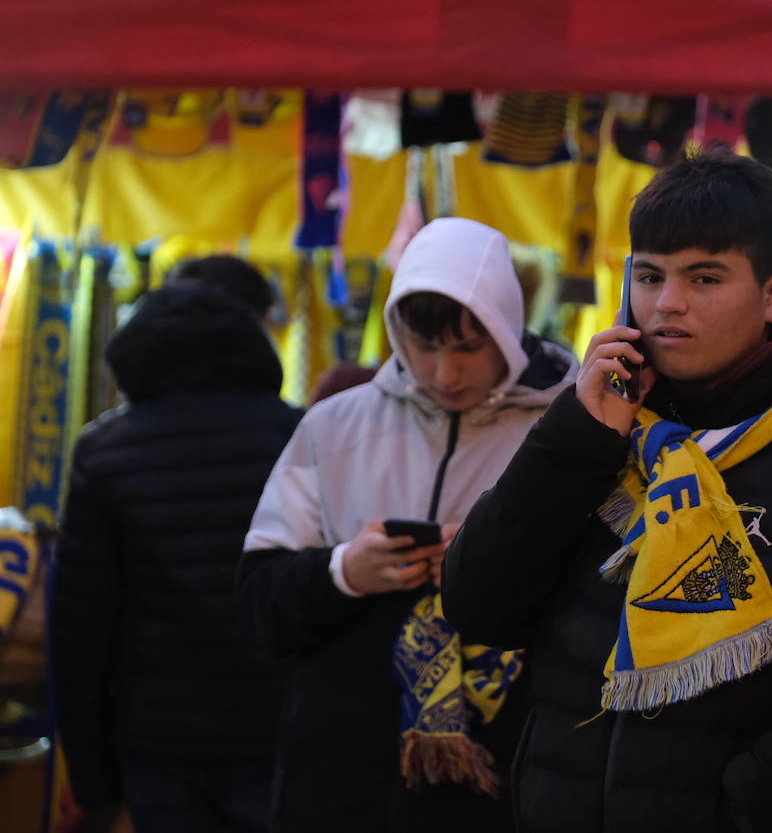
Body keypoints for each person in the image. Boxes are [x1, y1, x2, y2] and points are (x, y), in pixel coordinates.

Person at [442, 148, 772, 833]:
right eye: (650, 276)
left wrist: (751, 801)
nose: (667, 304)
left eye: (705, 277)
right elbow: (480, 605)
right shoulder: (597, 432)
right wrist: (571, 439)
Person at [237, 217, 576, 833]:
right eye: (423, 346)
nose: (445, 373)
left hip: (505, 773)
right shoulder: (335, 426)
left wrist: (491, 572)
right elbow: (262, 603)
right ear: (396, 332)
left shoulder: (570, 429)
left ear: (505, 326)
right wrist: (346, 571)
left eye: (469, 346)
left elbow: (605, 603)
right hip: (344, 772)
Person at [52, 262, 301, 832]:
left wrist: (93, 778)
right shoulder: (297, 435)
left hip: (157, 747)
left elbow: (80, 629)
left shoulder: (104, 451)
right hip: (278, 734)